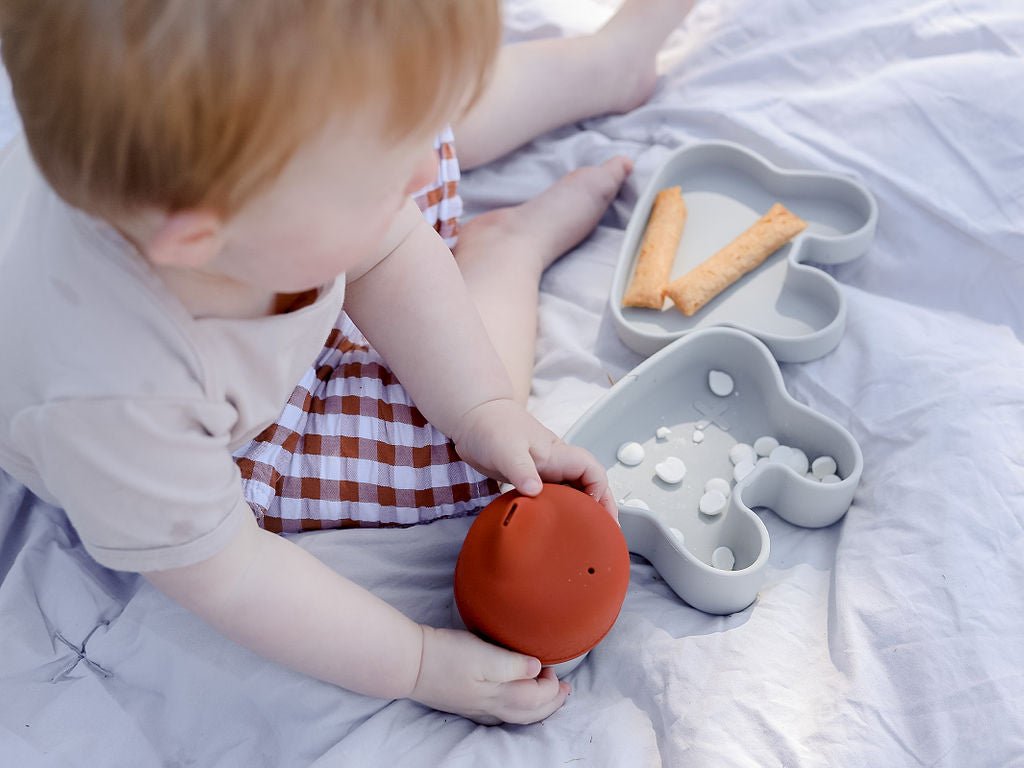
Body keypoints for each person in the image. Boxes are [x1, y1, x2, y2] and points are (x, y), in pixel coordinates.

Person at [0, 0, 692, 724]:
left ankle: (596, 67)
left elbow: (387, 245)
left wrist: (483, 407)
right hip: (237, 434)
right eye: (384, 176)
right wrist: (416, 660)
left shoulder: (268, 188)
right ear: (202, 237)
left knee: (405, 118)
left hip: (303, 224)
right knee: (452, 470)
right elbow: (234, 576)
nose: (425, 165)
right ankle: (504, 256)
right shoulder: (120, 406)